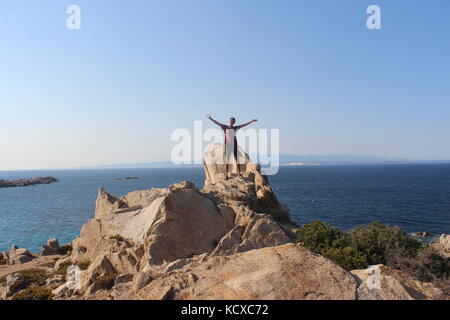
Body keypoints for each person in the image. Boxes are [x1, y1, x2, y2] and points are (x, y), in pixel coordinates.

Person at [205, 114, 257, 179]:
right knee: (227, 161)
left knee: (237, 160)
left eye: (232, 121)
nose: (231, 122)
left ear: (234, 122)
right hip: (227, 146)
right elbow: (217, 123)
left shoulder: (235, 128)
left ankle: (239, 173)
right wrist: (210, 118)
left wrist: (252, 121)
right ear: (228, 121)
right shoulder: (225, 127)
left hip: (234, 145)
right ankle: (226, 175)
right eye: (230, 121)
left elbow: (244, 125)